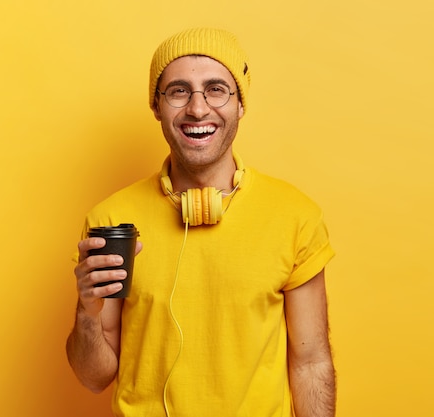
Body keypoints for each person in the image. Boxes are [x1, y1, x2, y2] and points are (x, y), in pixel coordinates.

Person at [66, 28, 336, 417]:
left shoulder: (295, 216)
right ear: (157, 107)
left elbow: (311, 364)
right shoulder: (111, 221)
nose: (197, 109)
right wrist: (86, 315)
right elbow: (94, 377)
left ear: (240, 104)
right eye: (178, 91)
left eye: (216, 90)